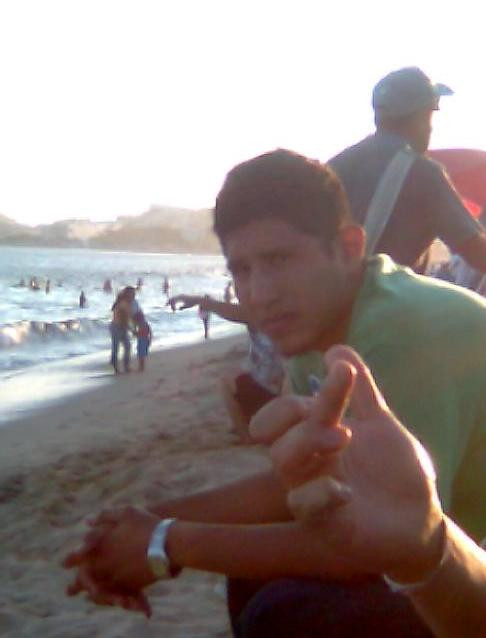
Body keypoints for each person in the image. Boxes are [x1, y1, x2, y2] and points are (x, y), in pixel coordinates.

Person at [64, 149, 485, 636]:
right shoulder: (322, 323)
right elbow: (309, 480)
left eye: (279, 260)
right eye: (241, 270)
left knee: (282, 611)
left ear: (348, 248)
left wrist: (166, 542)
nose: (260, 293)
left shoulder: (402, 332)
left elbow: (391, 534)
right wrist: (144, 525)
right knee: (252, 579)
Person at [250, 345, 486, 638]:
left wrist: (186, 540)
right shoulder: (304, 362)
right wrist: (425, 550)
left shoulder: (410, 346)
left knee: (279, 611)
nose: (260, 303)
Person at [329, 66, 486, 274]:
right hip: (381, 292)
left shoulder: (336, 165)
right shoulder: (422, 174)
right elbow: (476, 251)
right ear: (421, 118)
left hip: (326, 292)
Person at [169, 294, 285, 441]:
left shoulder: (261, 314)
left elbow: (235, 313)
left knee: (226, 382)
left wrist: (200, 301)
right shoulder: (272, 311)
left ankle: (246, 436)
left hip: (275, 395)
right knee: (237, 376)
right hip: (272, 390)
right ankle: (250, 425)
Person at [109, 287, 135, 374]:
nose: (134, 296)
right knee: (117, 347)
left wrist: (132, 328)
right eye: (132, 294)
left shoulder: (126, 303)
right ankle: (117, 367)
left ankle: (124, 366)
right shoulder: (123, 304)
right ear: (128, 294)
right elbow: (123, 320)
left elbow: (128, 318)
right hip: (117, 327)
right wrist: (132, 330)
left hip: (120, 327)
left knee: (126, 346)